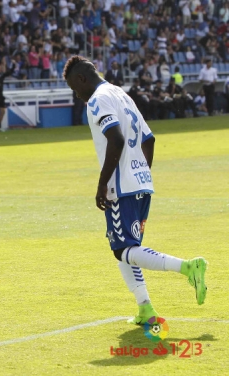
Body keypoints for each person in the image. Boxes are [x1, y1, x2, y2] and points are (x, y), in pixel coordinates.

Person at [63, 55, 208, 325]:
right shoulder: (121, 94)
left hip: (122, 186)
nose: (77, 94)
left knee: (122, 251)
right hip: (140, 183)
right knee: (128, 248)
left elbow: (115, 140)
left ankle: (188, 267)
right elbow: (149, 139)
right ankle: (145, 308)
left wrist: (103, 183)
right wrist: (142, 173)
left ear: (82, 79)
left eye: (75, 88)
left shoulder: (98, 99)